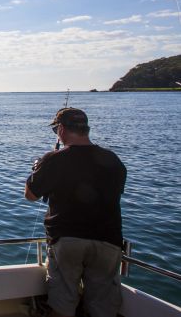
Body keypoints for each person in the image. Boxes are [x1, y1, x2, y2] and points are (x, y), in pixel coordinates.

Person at [25, 107, 126, 317]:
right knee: (103, 306)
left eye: (55, 130)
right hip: (108, 240)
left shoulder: (54, 159)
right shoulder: (113, 161)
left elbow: (31, 195)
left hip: (67, 239)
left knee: (62, 303)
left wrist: (36, 170)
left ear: (61, 129)